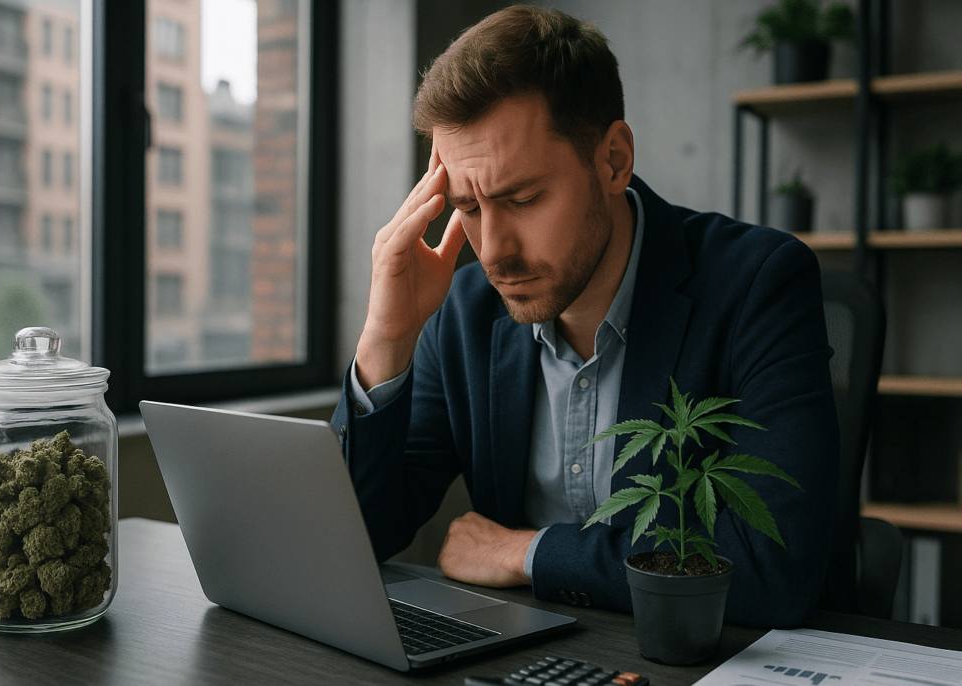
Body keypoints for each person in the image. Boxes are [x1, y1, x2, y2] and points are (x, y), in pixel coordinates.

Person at [331, 5, 838, 628]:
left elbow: (773, 565)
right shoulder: (461, 313)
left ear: (614, 160)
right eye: (466, 207)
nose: (492, 251)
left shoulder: (759, 284)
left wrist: (529, 552)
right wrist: (387, 337)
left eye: (522, 199)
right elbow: (354, 539)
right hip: (532, 658)